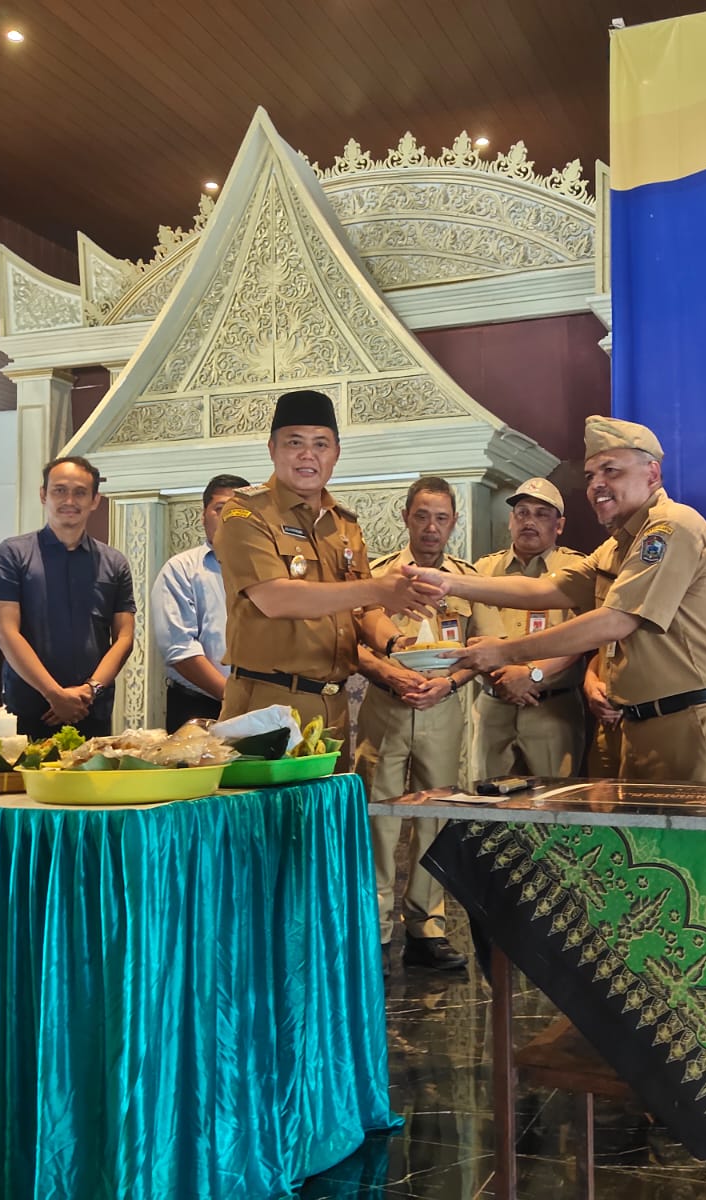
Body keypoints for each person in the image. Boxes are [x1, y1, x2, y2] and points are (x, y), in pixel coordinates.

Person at [406, 416, 706, 784]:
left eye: (611, 471)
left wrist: (505, 652)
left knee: (696, 842)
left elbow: (615, 621)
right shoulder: (618, 545)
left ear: (652, 473)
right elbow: (547, 589)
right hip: (638, 726)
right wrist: (447, 582)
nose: (597, 485)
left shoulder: (670, 527)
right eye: (590, 476)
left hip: (691, 724)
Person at [211, 389, 431, 768]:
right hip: (267, 703)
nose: (307, 455)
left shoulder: (343, 524)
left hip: (333, 706)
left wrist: (399, 644)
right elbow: (275, 599)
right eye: (294, 443)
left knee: (323, 823)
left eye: (320, 444)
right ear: (272, 449)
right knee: (268, 825)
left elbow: (363, 611)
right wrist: (377, 586)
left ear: (336, 453)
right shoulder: (244, 515)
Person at [358, 477, 502, 972]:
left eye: (441, 518)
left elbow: (484, 650)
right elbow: (353, 641)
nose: (431, 527)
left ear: (454, 524)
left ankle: (426, 929)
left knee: (435, 819)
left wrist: (452, 683)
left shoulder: (466, 581)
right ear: (406, 517)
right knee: (377, 818)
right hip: (385, 710)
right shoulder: (379, 577)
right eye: (422, 516)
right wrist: (387, 671)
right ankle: (373, 929)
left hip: (442, 710)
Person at [0, 455, 136, 739]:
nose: (70, 500)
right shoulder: (12, 554)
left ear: (95, 500)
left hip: (92, 709)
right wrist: (54, 694)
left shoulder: (114, 562)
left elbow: (124, 638)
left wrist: (89, 691)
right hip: (29, 709)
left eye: (80, 492)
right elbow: (5, 633)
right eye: (59, 490)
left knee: (93, 783)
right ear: (43, 495)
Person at [473, 477, 587, 778]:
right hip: (493, 705)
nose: (529, 521)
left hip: (551, 709)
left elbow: (582, 637)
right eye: (522, 512)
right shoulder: (483, 571)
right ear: (511, 520)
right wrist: (503, 680)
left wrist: (532, 674)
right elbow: (472, 633)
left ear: (559, 525)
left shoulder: (577, 570)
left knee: (555, 807)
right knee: (488, 807)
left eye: (541, 514)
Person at [151, 472, 251, 731]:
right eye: (220, 509)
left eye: (239, 511)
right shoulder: (181, 569)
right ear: (204, 515)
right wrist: (233, 698)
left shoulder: (267, 570)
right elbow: (180, 649)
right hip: (197, 705)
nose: (229, 518)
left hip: (259, 706)